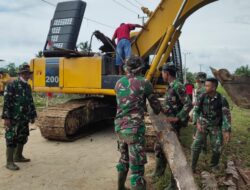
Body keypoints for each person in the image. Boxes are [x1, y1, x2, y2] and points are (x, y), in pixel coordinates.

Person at [114, 55, 161, 190]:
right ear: (140, 68)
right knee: (137, 168)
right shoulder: (144, 82)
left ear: (127, 68)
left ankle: (121, 187)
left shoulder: (118, 83)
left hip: (120, 128)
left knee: (124, 159)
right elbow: (156, 107)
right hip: (134, 130)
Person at [152, 62, 192, 190]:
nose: (162, 74)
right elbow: (172, 103)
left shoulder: (177, 85)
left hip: (173, 125)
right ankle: (158, 172)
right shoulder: (170, 86)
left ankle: (174, 184)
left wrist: (177, 117)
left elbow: (188, 104)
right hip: (166, 123)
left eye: (163, 72)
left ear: (167, 73)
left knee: (173, 154)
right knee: (159, 148)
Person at [191, 78, 232, 172]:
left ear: (214, 87)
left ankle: (214, 165)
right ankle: (192, 167)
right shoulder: (202, 96)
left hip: (215, 126)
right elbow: (196, 110)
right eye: (205, 85)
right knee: (195, 145)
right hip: (203, 124)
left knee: (217, 146)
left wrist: (227, 130)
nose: (205, 87)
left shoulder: (222, 99)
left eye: (207, 86)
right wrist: (197, 122)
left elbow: (226, 115)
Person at [2, 64, 37, 171]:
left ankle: (18, 156)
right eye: (26, 73)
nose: (28, 75)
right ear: (21, 74)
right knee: (11, 138)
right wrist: (6, 118)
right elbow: (7, 102)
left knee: (22, 136)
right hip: (13, 117)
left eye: (29, 73)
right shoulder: (12, 84)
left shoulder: (27, 86)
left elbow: (30, 101)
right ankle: (9, 162)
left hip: (24, 117)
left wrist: (32, 115)